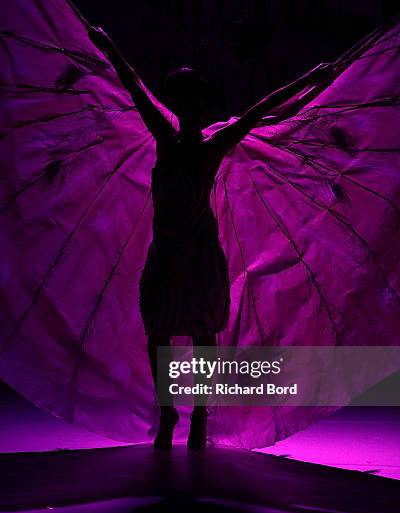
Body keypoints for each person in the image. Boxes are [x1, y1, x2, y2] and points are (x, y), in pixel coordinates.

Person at [88, 26, 335, 450]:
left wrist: (309, 80)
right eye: (180, 99)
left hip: (198, 254)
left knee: (201, 334)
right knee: (159, 332)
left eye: (192, 100)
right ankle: (169, 411)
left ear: (200, 106)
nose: (186, 107)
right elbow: (132, 85)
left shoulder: (211, 145)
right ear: (177, 104)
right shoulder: (167, 139)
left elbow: (261, 110)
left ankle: (199, 413)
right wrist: (108, 45)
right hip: (167, 251)